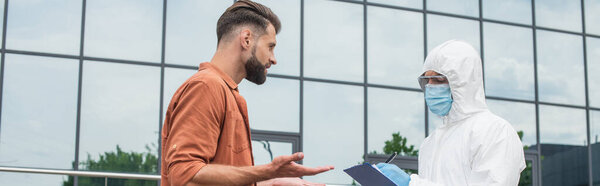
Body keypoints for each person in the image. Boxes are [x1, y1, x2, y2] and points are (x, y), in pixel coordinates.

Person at [160, 1, 333, 186]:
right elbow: (185, 177)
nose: (273, 59)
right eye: (270, 46)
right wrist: (266, 172)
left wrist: (274, 183)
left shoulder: (228, 93)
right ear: (246, 39)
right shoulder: (206, 86)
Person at [376, 40, 526, 186]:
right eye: (427, 80)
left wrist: (412, 184)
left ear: (463, 83)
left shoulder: (495, 132)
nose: (430, 87)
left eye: (438, 79)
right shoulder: (430, 143)